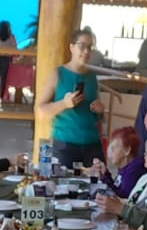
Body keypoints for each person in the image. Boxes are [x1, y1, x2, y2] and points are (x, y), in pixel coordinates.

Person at [35, 29, 106, 166]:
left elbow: (99, 117)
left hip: (92, 145)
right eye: (82, 46)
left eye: (90, 47)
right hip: (64, 145)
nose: (86, 51)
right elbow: (40, 112)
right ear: (72, 47)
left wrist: (100, 110)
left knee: (98, 184)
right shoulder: (58, 74)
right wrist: (64, 104)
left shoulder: (92, 78)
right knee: (61, 185)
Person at [96, 134, 147, 228]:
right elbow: (133, 202)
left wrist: (119, 206)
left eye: (146, 153)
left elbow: (145, 211)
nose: (143, 156)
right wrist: (116, 201)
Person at [89, 126, 146, 199]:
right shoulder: (126, 167)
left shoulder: (134, 170)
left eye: (114, 148)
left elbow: (122, 197)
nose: (110, 152)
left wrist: (105, 177)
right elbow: (117, 188)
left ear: (127, 150)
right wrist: (104, 174)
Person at [0, 21, 16, 101]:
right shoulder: (11, 36)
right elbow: (15, 47)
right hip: (6, 58)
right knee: (3, 78)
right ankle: (1, 96)